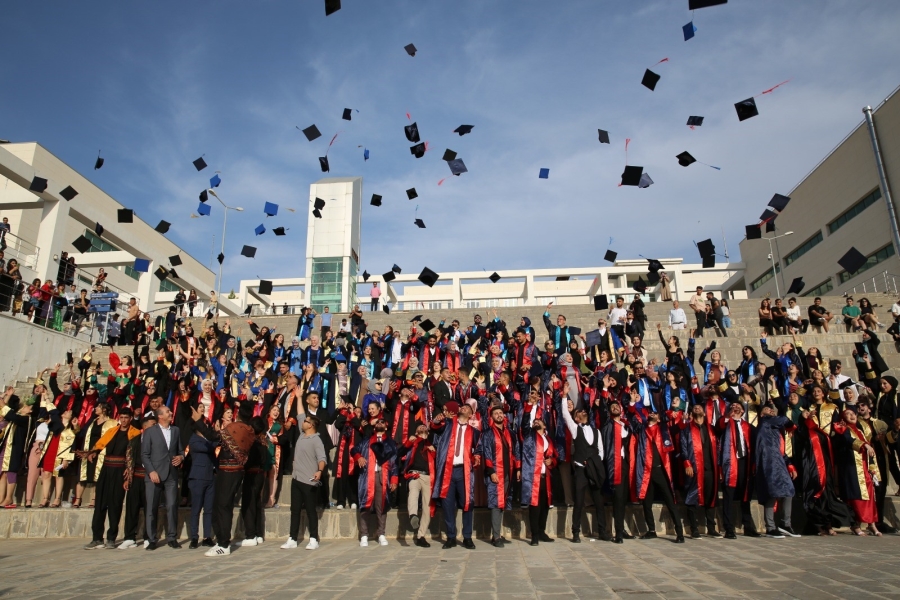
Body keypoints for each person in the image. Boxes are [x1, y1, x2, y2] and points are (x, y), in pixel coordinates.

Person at [626, 393, 684, 543]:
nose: (652, 413)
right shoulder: (641, 429)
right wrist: (632, 402)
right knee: (646, 501)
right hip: (646, 470)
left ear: (658, 418)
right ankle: (651, 530)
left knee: (670, 501)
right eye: (650, 412)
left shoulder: (664, 429)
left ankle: (679, 532)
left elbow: (677, 425)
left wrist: (677, 407)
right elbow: (631, 416)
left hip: (660, 469)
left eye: (655, 413)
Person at [81, 407, 140, 550]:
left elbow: (133, 455)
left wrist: (128, 471)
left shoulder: (135, 434)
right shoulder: (112, 431)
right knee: (100, 503)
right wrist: (92, 452)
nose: (124, 420)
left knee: (115, 504)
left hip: (120, 471)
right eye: (122, 417)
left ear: (130, 418)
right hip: (106, 469)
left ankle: (111, 537)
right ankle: (97, 538)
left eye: (126, 417)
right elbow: (100, 445)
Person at [431, 401, 480, 549]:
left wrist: (477, 457)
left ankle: (467, 537)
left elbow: (479, 449)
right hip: (448, 470)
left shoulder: (474, 432)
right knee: (447, 505)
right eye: (463, 406)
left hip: (464, 471)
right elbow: (435, 428)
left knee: (467, 504)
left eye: (468, 407)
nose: (464, 407)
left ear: (471, 415)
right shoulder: (447, 424)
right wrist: (436, 420)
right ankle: (451, 537)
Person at [559, 391, 606, 543]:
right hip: (580, 470)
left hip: (594, 469)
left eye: (584, 411)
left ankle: (602, 531)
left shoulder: (596, 431)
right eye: (580, 412)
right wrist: (564, 397)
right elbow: (565, 414)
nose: (583, 412)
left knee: (599, 501)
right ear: (577, 418)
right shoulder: (575, 429)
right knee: (579, 502)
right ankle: (576, 532)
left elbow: (601, 451)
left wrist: (594, 463)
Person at [676, 401, 722, 539]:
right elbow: (683, 447)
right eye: (694, 407)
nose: (697, 408)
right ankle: (694, 529)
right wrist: (687, 464)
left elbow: (718, 449)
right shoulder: (687, 429)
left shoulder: (711, 429)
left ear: (703, 412)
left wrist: (719, 468)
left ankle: (711, 528)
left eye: (699, 407)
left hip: (710, 468)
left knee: (711, 497)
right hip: (694, 467)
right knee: (692, 497)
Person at [833, 408, 881, 536]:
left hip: (863, 467)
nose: (851, 415)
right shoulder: (842, 429)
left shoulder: (859, 430)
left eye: (853, 413)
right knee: (855, 496)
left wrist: (872, 467)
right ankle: (855, 525)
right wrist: (864, 445)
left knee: (870, 495)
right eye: (847, 414)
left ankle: (872, 524)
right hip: (850, 467)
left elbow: (869, 448)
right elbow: (849, 440)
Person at [141, 405, 184, 550]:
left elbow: (180, 450)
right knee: (152, 507)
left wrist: (181, 457)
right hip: (154, 475)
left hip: (171, 474)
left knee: (172, 506)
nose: (171, 413)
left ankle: (172, 537)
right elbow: (145, 454)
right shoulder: (150, 432)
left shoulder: (176, 430)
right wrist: (151, 471)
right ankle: (152, 539)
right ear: (160, 416)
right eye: (168, 412)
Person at [281, 414, 326, 550]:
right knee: (294, 510)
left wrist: (319, 471)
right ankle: (292, 538)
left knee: (311, 510)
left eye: (306, 421)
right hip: (296, 479)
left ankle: (313, 538)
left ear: (311, 425)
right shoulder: (301, 435)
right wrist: (299, 397)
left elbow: (322, 458)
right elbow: (300, 413)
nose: (303, 422)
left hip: (309, 481)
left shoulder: (316, 440)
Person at [754, 404, 800, 538]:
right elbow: (785, 419)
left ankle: (785, 524)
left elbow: (781, 451)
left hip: (778, 462)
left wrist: (790, 465)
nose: (771, 410)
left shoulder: (775, 430)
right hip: (768, 462)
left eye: (772, 409)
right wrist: (792, 427)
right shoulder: (766, 422)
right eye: (767, 409)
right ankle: (770, 527)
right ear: (761, 414)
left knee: (789, 491)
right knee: (771, 493)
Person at [353, 415, 399, 547]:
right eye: (377, 422)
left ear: (386, 426)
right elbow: (353, 450)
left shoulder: (391, 443)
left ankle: (381, 534)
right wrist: (359, 457)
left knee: (382, 505)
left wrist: (394, 479)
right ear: (374, 426)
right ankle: (364, 535)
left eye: (382, 422)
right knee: (365, 505)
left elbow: (395, 463)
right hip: (368, 475)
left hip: (383, 476)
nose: (379, 423)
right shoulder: (366, 441)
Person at [477, 405, 518, 547]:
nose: (499, 415)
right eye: (496, 413)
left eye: (501, 413)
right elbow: (486, 453)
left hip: (508, 472)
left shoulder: (510, 432)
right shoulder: (488, 433)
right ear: (492, 417)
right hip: (495, 471)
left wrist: (518, 469)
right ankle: (495, 537)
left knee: (502, 502)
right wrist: (491, 471)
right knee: (495, 502)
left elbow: (516, 451)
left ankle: (498, 533)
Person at [520, 408, 557, 546]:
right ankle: (534, 535)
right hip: (532, 476)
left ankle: (541, 531)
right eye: (534, 421)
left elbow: (555, 457)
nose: (535, 421)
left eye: (538, 420)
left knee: (545, 506)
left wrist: (551, 461)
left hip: (545, 476)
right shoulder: (529, 435)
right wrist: (529, 406)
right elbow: (524, 423)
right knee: (534, 506)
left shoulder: (549, 440)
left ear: (545, 425)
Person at [119, 414, 155, 550]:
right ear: (145, 427)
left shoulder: (157, 441)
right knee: (131, 508)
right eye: (152, 425)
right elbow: (129, 461)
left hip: (150, 478)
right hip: (135, 477)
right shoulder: (134, 440)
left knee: (149, 508)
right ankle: (129, 537)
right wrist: (128, 478)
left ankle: (148, 536)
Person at [402, 423, 436, 547]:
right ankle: (413, 515)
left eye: (424, 427)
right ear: (416, 432)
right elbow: (399, 453)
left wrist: (434, 450)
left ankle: (421, 536)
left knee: (428, 507)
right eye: (419, 427)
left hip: (428, 477)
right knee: (413, 493)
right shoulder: (412, 442)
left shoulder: (431, 443)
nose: (422, 427)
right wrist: (407, 443)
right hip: (414, 474)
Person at [186, 417, 217, 549]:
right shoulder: (194, 439)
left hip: (210, 476)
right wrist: (215, 441)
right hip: (198, 477)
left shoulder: (208, 440)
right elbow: (208, 448)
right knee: (196, 509)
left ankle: (207, 536)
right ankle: (194, 537)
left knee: (208, 509)